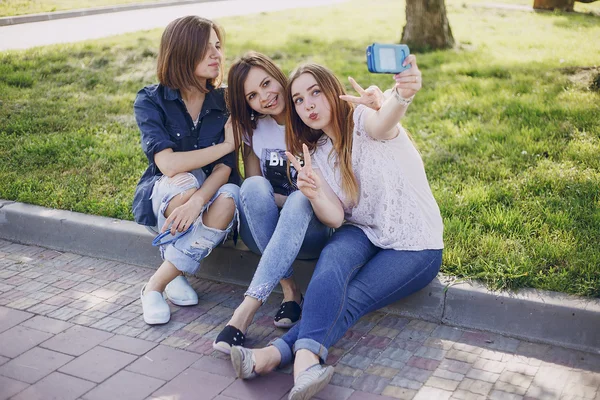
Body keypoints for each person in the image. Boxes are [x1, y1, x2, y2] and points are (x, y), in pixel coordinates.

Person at [229, 57, 444, 400]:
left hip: (413, 242)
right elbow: (335, 219)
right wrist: (312, 191)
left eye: (315, 92)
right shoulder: (319, 150)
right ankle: (292, 359)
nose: (308, 104)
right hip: (362, 230)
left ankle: (287, 356)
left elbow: (385, 121)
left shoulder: (363, 119)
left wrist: (401, 95)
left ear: (332, 90)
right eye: (298, 99)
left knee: (353, 296)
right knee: (330, 267)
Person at [213, 52, 331, 354]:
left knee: (300, 200)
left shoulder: (310, 115)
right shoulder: (254, 130)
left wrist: (287, 198)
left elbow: (322, 194)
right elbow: (256, 194)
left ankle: (244, 314)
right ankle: (291, 291)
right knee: (251, 185)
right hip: (266, 231)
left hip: (310, 231)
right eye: (253, 95)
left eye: (267, 84)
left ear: (277, 75)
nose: (264, 97)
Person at [132, 16, 239, 325]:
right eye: (206, 48)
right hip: (169, 194)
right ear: (181, 51)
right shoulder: (151, 100)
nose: (217, 55)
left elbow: (225, 169)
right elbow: (168, 164)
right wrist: (225, 146)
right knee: (184, 183)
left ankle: (161, 279)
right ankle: (165, 279)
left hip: (210, 194)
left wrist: (197, 202)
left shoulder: (225, 100)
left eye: (218, 47)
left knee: (231, 195)